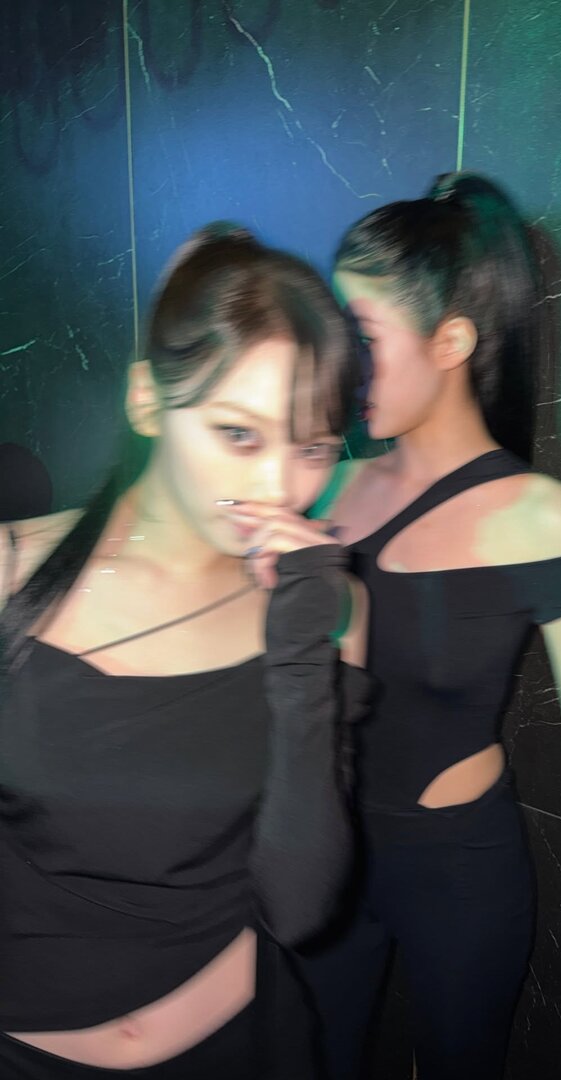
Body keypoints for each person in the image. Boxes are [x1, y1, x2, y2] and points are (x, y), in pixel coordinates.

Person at [229, 173, 561, 1079]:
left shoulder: (543, 517)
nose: (343, 364)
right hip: (327, 852)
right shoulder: (329, 485)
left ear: (451, 340)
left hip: (457, 869)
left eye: (364, 336)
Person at [0, 225, 369, 1079]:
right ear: (146, 401)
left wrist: (300, 655)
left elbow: (301, 907)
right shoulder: (12, 573)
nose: (277, 488)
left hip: (247, 1049)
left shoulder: (330, 608)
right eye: (239, 434)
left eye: (313, 448)